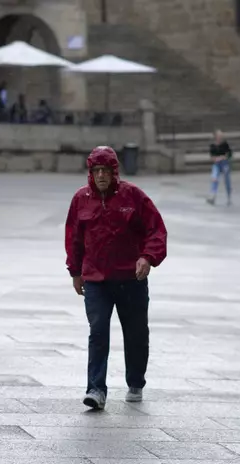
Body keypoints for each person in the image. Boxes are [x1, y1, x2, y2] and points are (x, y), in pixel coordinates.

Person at [65, 146, 168, 410]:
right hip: (96, 279)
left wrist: (147, 257)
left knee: (136, 333)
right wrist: (75, 271)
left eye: (105, 170)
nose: (101, 175)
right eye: (96, 170)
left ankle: (135, 382)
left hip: (130, 279)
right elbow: (74, 238)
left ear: (114, 172)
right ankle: (96, 389)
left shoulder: (133, 196)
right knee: (98, 331)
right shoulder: (81, 199)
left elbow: (156, 229)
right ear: (90, 173)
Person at [207, 130, 233, 206]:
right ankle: (213, 196)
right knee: (214, 178)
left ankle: (229, 197)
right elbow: (212, 157)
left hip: (224, 163)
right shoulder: (212, 146)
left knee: (227, 180)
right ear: (215, 137)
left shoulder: (225, 144)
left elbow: (230, 154)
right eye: (219, 136)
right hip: (216, 164)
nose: (220, 137)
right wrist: (216, 159)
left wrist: (224, 157)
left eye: (221, 136)